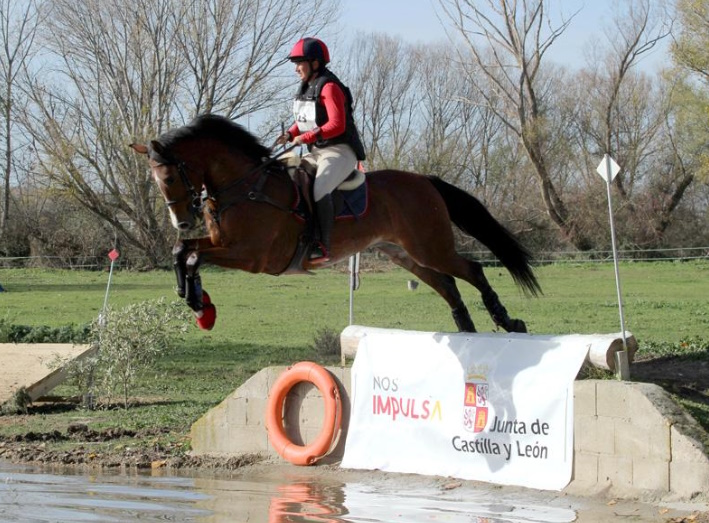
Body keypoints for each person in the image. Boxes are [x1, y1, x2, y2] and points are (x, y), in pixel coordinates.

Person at [276, 37, 366, 264]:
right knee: (292, 176)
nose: (296, 69)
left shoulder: (330, 87)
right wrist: (289, 133)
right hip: (317, 151)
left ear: (315, 63)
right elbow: (306, 119)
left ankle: (322, 245)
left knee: (320, 188)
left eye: (300, 63)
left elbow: (337, 125)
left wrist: (304, 137)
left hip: (340, 151)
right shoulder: (307, 87)